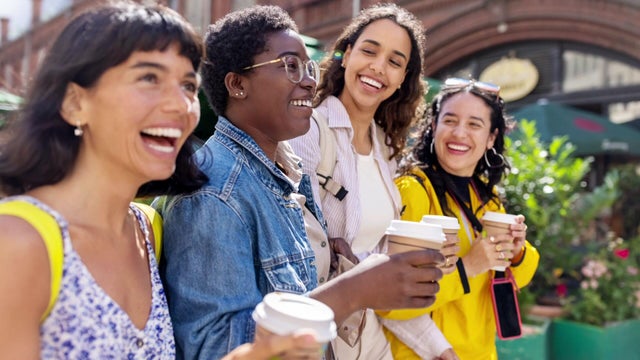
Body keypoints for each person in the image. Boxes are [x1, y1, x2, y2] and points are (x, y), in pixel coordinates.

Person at [0, 2, 325, 359]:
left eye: (188, 84)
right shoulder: (19, 242)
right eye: (149, 78)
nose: (180, 104)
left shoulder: (147, 230)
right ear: (76, 103)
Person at [159, 5, 443, 359]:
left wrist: (330, 257)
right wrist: (352, 292)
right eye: (290, 66)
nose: (310, 80)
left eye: (307, 66)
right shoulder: (215, 193)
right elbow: (214, 348)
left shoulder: (284, 170)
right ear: (237, 84)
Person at [289, 4, 457, 359]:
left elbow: (385, 272)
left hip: (373, 343)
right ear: (346, 55)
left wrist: (441, 350)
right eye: (369, 51)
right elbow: (296, 254)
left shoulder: (386, 152)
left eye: (395, 62)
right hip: (322, 340)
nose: (379, 67)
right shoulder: (309, 131)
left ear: (401, 79)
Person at [393, 78, 540, 359]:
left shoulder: (487, 197)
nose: (459, 133)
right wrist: (468, 266)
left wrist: (518, 251)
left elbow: (516, 278)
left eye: (474, 124)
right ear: (433, 126)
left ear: (491, 138)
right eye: (450, 121)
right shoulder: (412, 190)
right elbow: (399, 296)